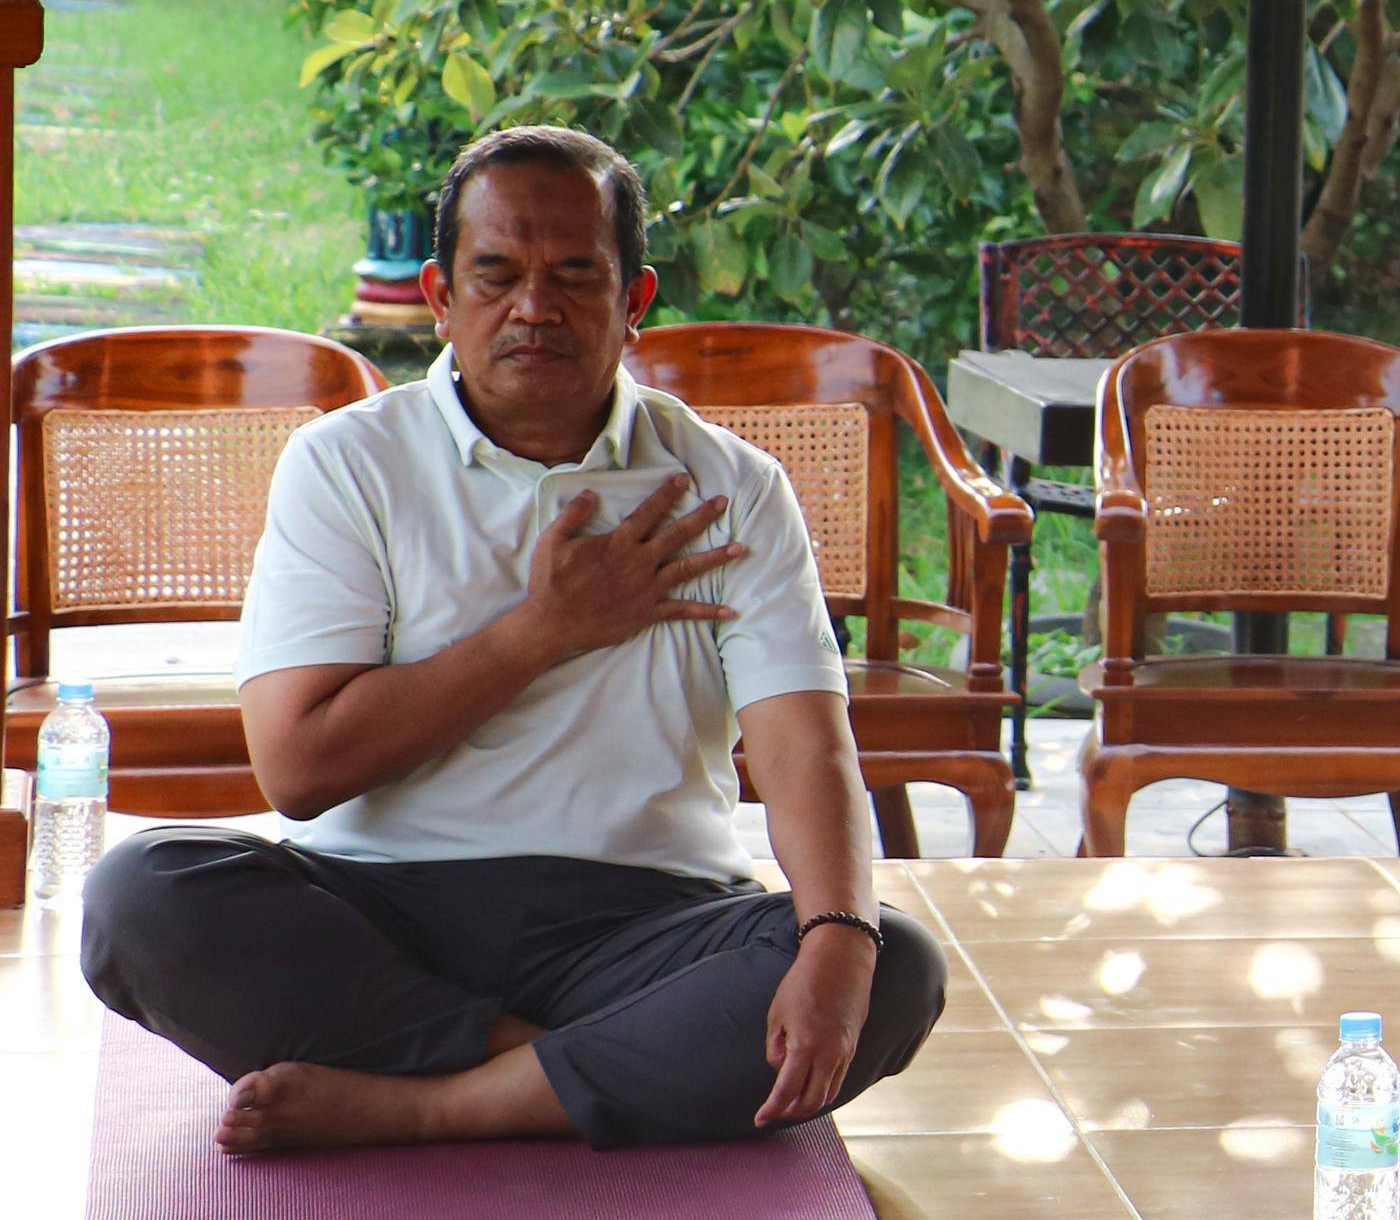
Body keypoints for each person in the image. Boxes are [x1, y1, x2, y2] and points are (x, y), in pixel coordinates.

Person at [81, 125, 947, 1154]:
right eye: (496, 273)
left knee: (894, 962)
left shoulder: (731, 485)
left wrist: (838, 938)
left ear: (634, 299)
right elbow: (300, 768)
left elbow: (807, 746)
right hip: (381, 912)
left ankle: (423, 1102)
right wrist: (545, 629)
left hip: (648, 922)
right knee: (142, 895)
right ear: (441, 297)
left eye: (576, 273)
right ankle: (580, 1074)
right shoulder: (348, 463)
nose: (535, 306)